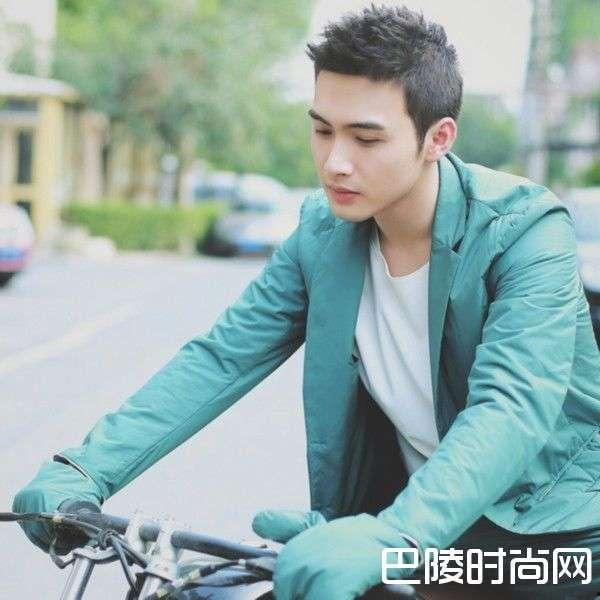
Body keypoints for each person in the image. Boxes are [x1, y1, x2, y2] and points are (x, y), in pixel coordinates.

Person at [13, 5, 600, 599]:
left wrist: (395, 535)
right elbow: (221, 358)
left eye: (366, 138)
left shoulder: (524, 230)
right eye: (322, 130)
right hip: (417, 536)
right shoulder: (323, 235)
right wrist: (86, 468)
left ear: (438, 138)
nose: (335, 162)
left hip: (560, 548)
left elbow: (511, 406)